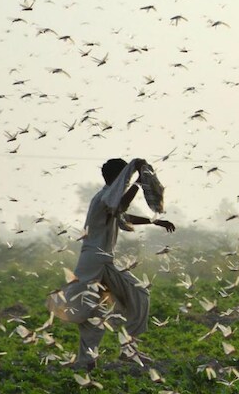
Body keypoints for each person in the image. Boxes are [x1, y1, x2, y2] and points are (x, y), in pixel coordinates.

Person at [50, 158, 175, 370]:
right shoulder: (104, 198)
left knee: (96, 310)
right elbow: (121, 205)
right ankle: (109, 355)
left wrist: (154, 221)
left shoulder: (106, 198)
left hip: (99, 260)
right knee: (129, 297)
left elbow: (123, 215)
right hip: (96, 261)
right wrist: (138, 183)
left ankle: (96, 358)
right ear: (120, 179)